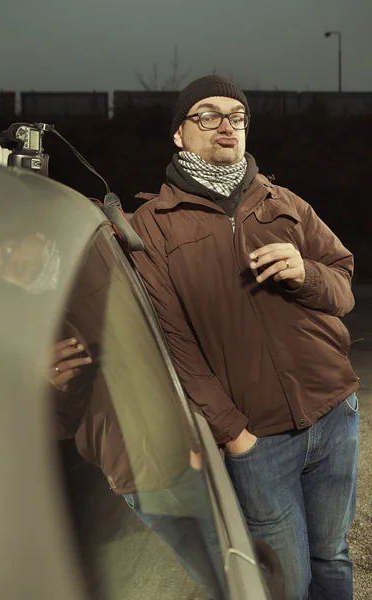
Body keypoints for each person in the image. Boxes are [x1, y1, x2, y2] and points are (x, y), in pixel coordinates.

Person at [130, 74, 359, 600]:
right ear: (179, 135)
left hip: (334, 413)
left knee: (332, 559)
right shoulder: (154, 226)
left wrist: (305, 271)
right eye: (207, 115)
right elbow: (174, 345)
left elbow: (343, 287)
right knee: (284, 583)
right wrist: (232, 432)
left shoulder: (285, 202)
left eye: (236, 116)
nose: (226, 126)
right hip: (259, 440)